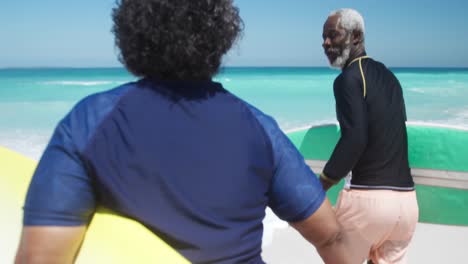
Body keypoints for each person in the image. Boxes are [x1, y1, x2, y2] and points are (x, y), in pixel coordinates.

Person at [15, 1, 356, 263]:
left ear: (133, 31)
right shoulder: (259, 128)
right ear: (219, 35)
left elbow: (40, 257)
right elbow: (331, 237)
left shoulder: (89, 122)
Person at [320, 8, 419, 264]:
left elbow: (355, 138)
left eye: (333, 35)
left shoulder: (348, 79)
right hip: (407, 206)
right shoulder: (390, 78)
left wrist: (321, 184)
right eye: (324, 37)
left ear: (356, 37)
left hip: (368, 204)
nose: (326, 43)